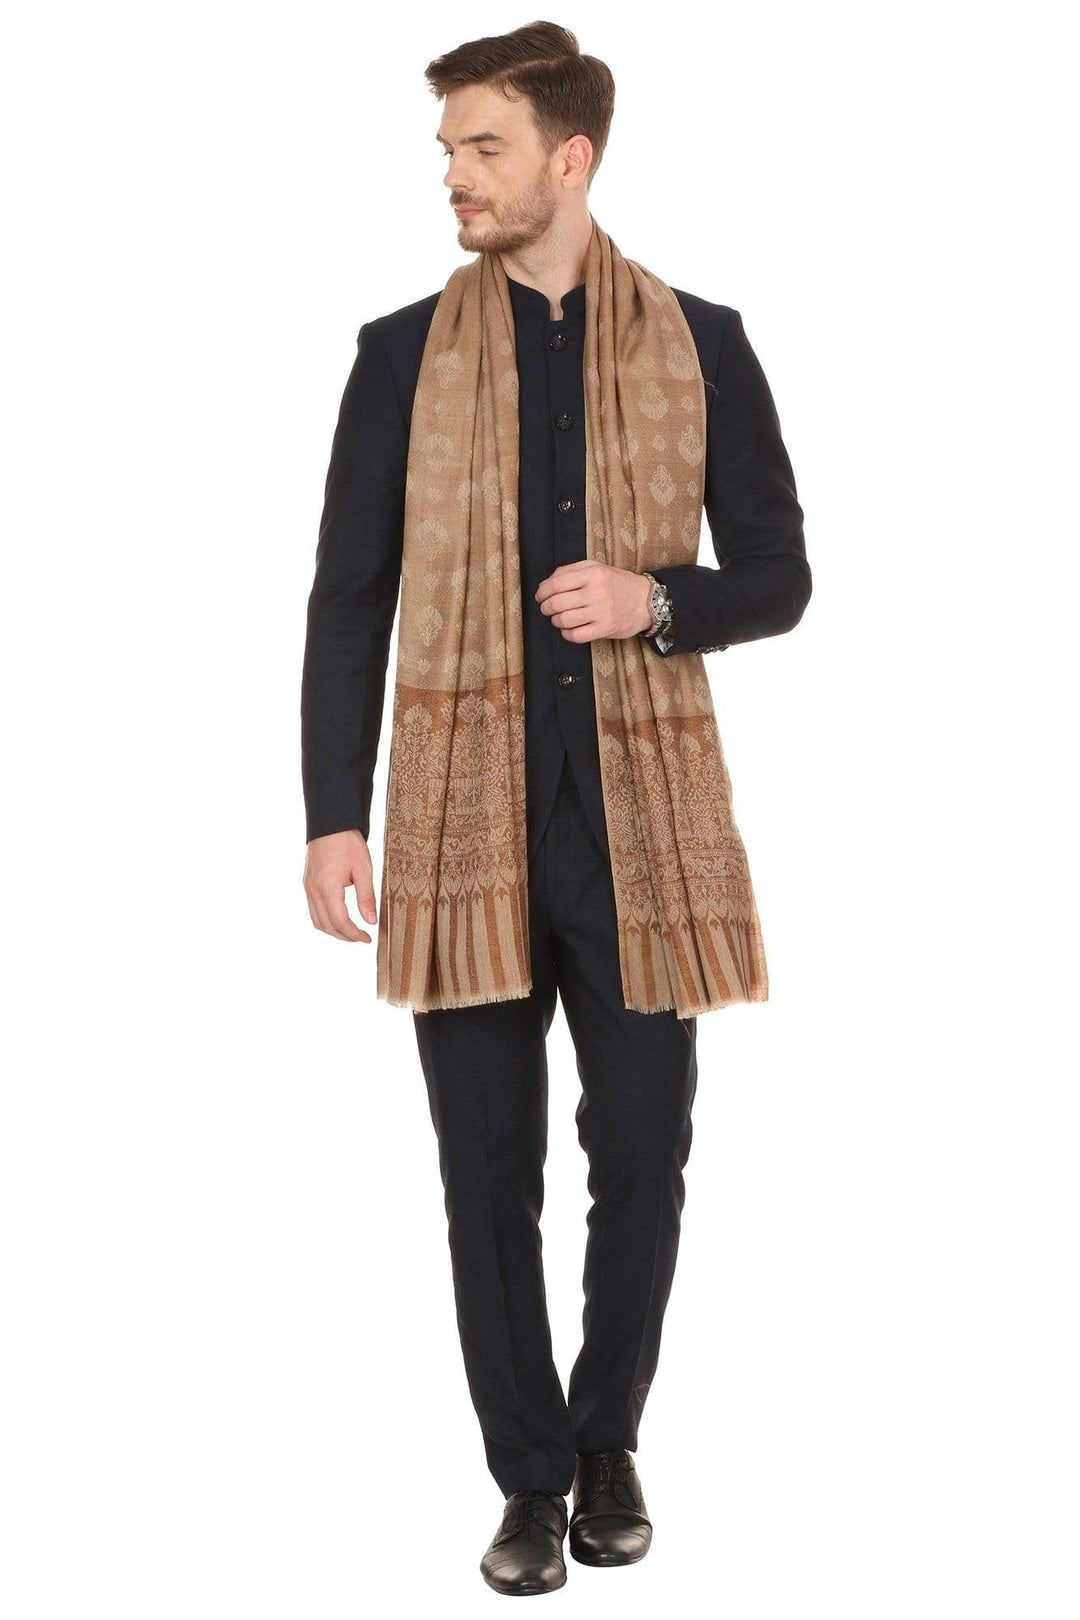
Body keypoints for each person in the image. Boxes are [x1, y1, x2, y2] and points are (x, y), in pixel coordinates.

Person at [301, 22, 810, 1596]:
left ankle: (608, 1442)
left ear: (569, 160)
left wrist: (657, 599)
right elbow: (349, 598)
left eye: (485, 147)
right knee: (484, 1167)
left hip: (639, 828)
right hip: (462, 819)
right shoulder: (400, 354)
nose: (454, 176)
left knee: (644, 1149)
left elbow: (781, 577)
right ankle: (527, 1479)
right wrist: (332, 815)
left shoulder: (704, 341)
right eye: (448, 150)